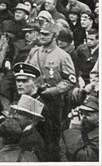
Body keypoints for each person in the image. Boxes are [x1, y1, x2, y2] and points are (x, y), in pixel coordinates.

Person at [26, 19, 77, 160]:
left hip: (53, 100)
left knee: (52, 134)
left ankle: (52, 158)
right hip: (34, 96)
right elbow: (26, 70)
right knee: (32, 130)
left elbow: (70, 80)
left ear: (54, 37)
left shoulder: (63, 56)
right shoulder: (34, 52)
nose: (41, 37)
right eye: (40, 34)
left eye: (45, 35)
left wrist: (55, 90)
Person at [63, 93, 99, 161]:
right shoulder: (87, 127)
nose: (82, 117)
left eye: (87, 114)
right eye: (81, 113)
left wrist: (74, 129)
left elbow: (83, 159)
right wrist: (68, 121)